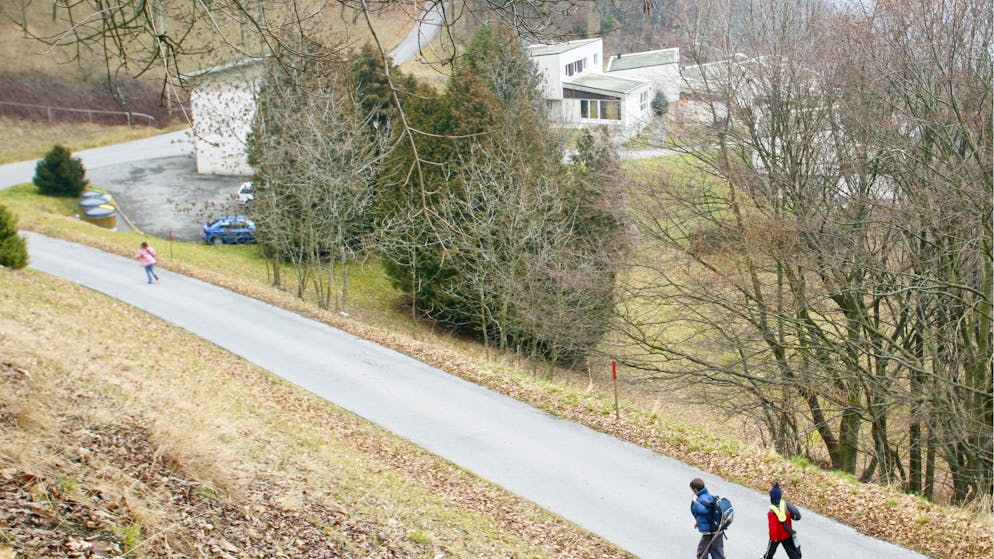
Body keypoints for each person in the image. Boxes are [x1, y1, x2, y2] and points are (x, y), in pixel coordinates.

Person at [764, 482, 802, 559]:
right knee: (791, 551)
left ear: (771, 498)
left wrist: (773, 538)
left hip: (776, 537)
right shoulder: (786, 506)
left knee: (770, 552)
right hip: (787, 534)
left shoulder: (771, 513)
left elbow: (773, 527)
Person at [690, 477, 725, 559]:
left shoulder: (701, 498)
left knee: (702, 553)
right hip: (717, 529)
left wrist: (695, 501)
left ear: (695, 489)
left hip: (709, 531)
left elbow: (702, 510)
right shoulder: (707, 495)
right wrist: (698, 522)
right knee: (717, 553)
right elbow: (709, 511)